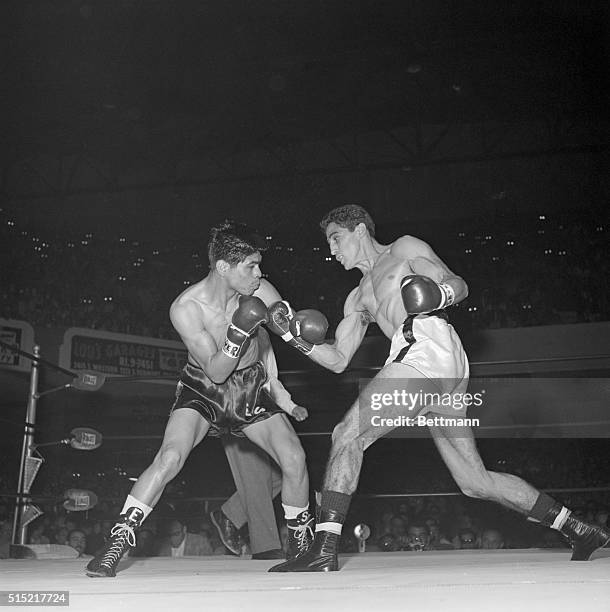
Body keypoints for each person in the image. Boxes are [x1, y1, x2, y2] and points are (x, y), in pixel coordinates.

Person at [267, 204, 610, 571]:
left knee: (347, 434)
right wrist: (291, 335)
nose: (332, 250)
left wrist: (437, 295)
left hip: (427, 346)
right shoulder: (356, 299)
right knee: (474, 481)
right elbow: (337, 360)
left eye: (336, 238)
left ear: (360, 230)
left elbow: (458, 284)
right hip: (432, 363)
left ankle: (324, 548)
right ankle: (577, 528)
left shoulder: (402, 250)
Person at [86, 222, 319, 577]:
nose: (259, 274)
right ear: (223, 268)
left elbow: (285, 327)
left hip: (250, 387)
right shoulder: (187, 308)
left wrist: (296, 326)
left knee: (294, 458)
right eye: (250, 267)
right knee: (170, 457)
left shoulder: (262, 290)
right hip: (204, 388)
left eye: (258, 266)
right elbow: (215, 371)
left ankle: (302, 548)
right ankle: (116, 543)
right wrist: (238, 332)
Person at [211, 436, 286, 559]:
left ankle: (231, 514)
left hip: (264, 422)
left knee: (283, 474)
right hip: (243, 421)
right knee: (258, 477)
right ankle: (265, 547)